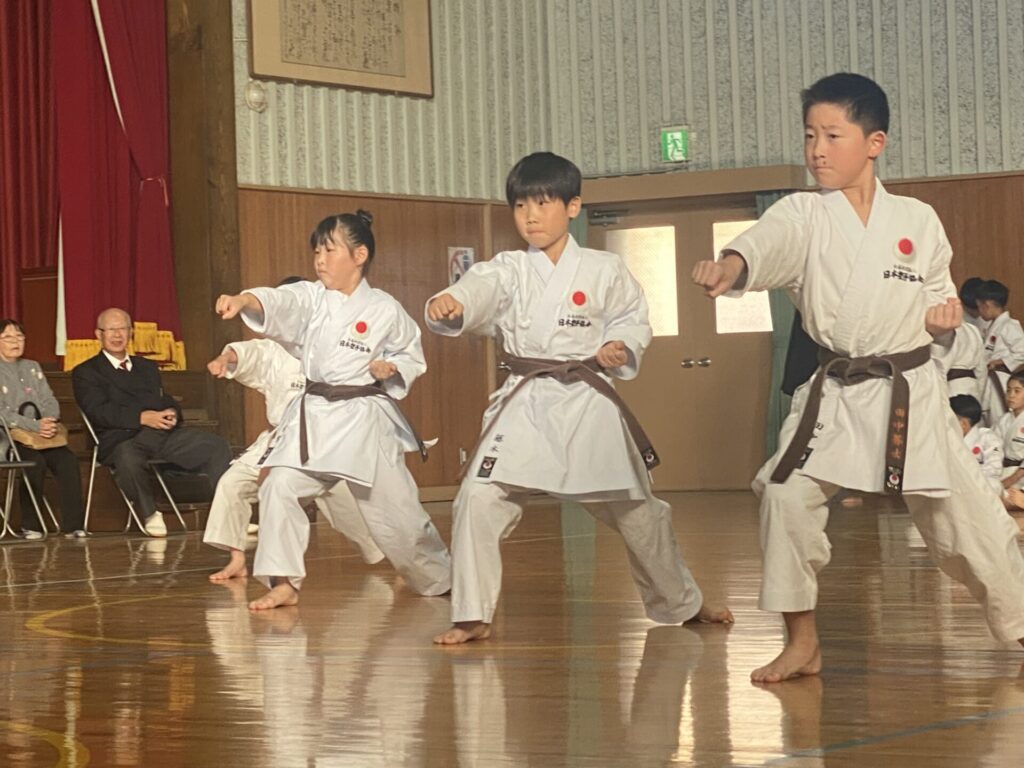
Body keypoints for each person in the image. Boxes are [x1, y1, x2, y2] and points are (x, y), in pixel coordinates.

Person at [692, 72, 1024, 683]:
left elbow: (941, 301)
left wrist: (942, 321)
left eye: (832, 135)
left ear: (875, 143)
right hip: (837, 395)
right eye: (809, 135)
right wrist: (732, 266)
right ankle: (802, 642)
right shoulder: (803, 213)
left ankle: (1022, 623)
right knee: (785, 498)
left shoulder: (917, 219)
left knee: (970, 519)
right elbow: (764, 245)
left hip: (910, 393)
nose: (817, 150)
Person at [425, 151, 732, 645]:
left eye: (543, 203)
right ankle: (472, 614)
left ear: (572, 207)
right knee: (478, 499)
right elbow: (478, 289)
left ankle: (683, 603)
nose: (530, 216)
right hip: (527, 403)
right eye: (521, 205)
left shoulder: (604, 269)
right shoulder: (507, 268)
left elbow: (631, 319)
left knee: (640, 514)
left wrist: (620, 346)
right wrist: (454, 303)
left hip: (588, 402)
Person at [214, 211, 451, 610]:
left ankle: (439, 578)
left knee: (397, 516)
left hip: (363, 420)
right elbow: (281, 301)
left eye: (329, 251)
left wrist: (391, 369)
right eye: (316, 252)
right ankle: (284, 581)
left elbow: (409, 355)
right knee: (279, 485)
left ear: (359, 255)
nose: (320, 260)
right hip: (316, 416)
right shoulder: (312, 298)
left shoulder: (385, 309)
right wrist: (245, 300)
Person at [203, 279, 385, 581]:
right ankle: (237, 558)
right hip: (281, 439)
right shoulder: (273, 350)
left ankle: (389, 553)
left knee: (348, 509)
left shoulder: (335, 343)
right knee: (232, 484)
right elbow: (245, 353)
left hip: (326, 441)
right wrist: (224, 359)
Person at [72, 308, 233, 537]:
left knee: (215, 446)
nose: (117, 335)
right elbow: (99, 412)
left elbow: (163, 399)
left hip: (160, 435)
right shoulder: (86, 372)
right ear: (99, 334)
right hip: (121, 439)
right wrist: (142, 417)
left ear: (130, 332)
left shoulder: (146, 367)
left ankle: (228, 516)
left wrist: (172, 413)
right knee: (128, 458)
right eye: (111, 330)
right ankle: (150, 513)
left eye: (123, 329)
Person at [0, 319, 86, 538]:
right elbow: (2, 414)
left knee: (67, 460)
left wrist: (49, 420)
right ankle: (31, 525)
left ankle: (73, 526)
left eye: (19, 336)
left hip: (41, 434)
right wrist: (35, 425)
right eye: (8, 337)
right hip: (8, 437)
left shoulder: (32, 367)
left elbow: (49, 399)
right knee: (34, 462)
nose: (15, 341)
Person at [976, 280, 1024, 425]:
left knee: (1000, 419)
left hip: (1001, 380)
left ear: (986, 305)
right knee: (989, 418)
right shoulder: (993, 326)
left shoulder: (1010, 325)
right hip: (989, 380)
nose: (979, 312)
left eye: (979, 307)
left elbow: (1022, 352)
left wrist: (1000, 362)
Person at [949, 394, 1002, 495]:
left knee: (994, 485)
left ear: (963, 424)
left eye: (950, 421)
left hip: (981, 485)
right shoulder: (948, 439)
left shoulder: (988, 437)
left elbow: (994, 468)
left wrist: (966, 476)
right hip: (954, 486)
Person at [992, 373, 1024, 510]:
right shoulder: (1003, 420)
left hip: (1020, 475)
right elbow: (993, 448)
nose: (1011, 395)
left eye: (1017, 391)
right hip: (1004, 469)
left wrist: (1009, 481)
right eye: (1008, 390)